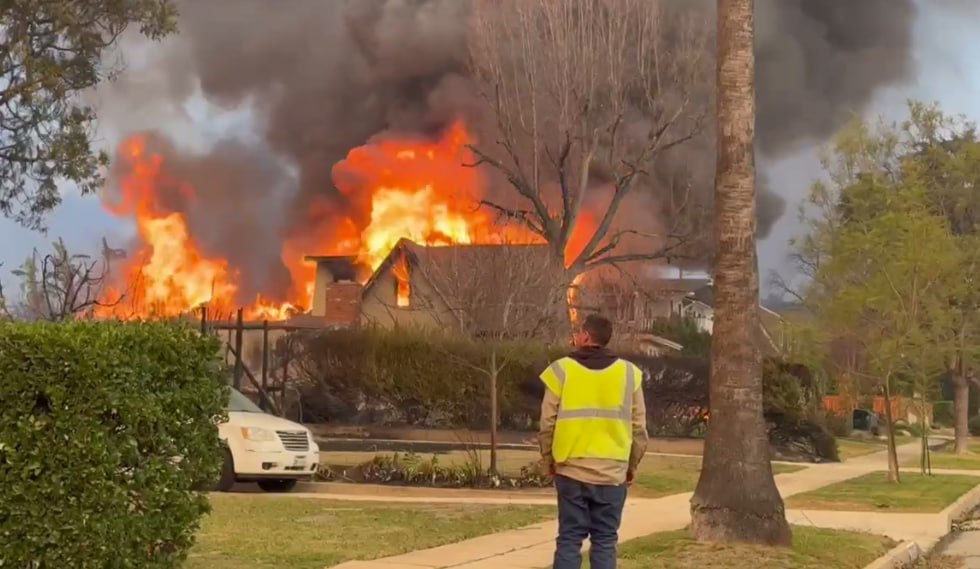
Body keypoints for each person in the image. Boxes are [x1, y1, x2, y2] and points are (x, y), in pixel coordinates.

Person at [538, 314, 648, 569]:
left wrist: (548, 461)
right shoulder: (629, 374)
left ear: (586, 336)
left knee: (569, 538)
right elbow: (639, 428)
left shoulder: (560, 370)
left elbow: (547, 423)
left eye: (578, 331)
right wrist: (631, 466)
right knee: (605, 540)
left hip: (570, 469)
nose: (575, 336)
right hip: (612, 472)